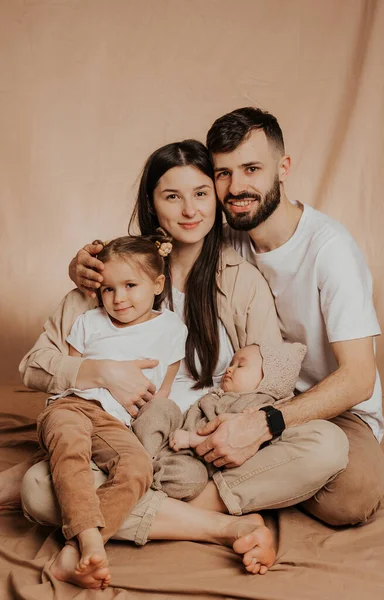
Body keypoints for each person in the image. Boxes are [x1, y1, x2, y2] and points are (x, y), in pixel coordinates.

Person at [7, 139, 348, 580]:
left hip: (209, 440)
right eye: (172, 196)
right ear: (151, 203)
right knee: (38, 490)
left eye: (201, 193)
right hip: (126, 440)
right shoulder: (111, 274)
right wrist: (101, 373)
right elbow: (36, 364)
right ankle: (221, 525)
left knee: (327, 444)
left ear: (216, 198)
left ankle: (148, 511)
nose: (190, 210)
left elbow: (272, 371)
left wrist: (236, 414)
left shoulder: (239, 276)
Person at [195, 106, 384, 526]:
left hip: (332, 408)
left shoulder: (330, 249)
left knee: (351, 497)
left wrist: (266, 425)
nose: (236, 186)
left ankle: (190, 503)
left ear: (282, 168)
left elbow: (358, 377)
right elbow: (150, 257)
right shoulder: (225, 237)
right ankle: (268, 477)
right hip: (249, 395)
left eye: (251, 169)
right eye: (223, 173)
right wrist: (87, 265)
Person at [36, 233, 189, 590]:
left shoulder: (171, 329)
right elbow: (68, 377)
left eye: (130, 285)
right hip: (72, 406)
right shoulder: (90, 322)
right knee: (71, 446)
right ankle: (89, 542)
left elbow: (161, 391)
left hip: (116, 423)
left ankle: (75, 552)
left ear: (157, 284)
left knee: (137, 468)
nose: (118, 299)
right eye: (107, 289)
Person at [133, 341, 306, 503]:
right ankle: (141, 455)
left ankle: (146, 475)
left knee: (193, 478)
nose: (229, 369)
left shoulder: (255, 406)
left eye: (241, 365)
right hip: (174, 433)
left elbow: (230, 437)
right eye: (231, 363)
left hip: (193, 458)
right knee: (162, 406)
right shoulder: (220, 394)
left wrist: (191, 439)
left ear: (269, 379)